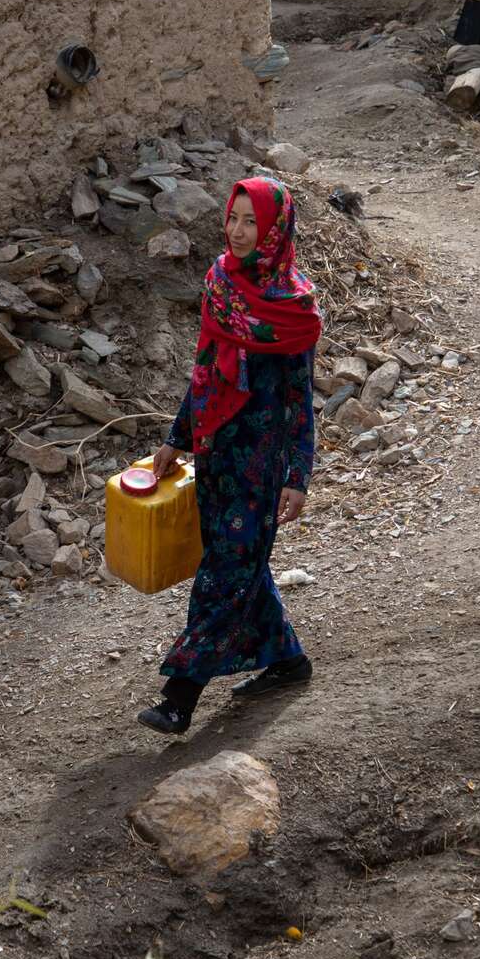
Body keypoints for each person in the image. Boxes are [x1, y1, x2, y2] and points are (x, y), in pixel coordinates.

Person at [138, 175, 322, 735]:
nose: (239, 232)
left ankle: (180, 696)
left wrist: (298, 475)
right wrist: (177, 437)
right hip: (216, 452)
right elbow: (204, 372)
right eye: (233, 218)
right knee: (237, 563)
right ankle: (288, 661)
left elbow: (299, 400)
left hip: (262, 464)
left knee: (223, 572)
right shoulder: (221, 283)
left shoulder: (294, 307)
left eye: (252, 222)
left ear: (274, 231)